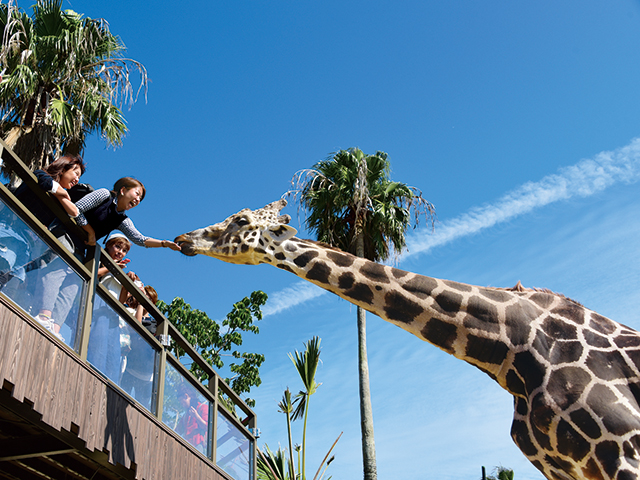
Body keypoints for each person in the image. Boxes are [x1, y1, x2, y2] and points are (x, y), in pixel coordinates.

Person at [34, 176, 180, 341]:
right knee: (58, 271)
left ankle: (54, 328)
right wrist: (90, 232)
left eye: (141, 199)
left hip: (81, 249)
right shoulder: (104, 195)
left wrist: (163, 243)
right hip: (66, 234)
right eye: (137, 194)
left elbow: (140, 239)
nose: (138, 200)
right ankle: (44, 316)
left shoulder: (122, 219)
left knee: (73, 285)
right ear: (123, 190)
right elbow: (76, 210)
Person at [1, 156, 85, 338]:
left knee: (12, 283)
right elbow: (47, 183)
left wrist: (63, 197)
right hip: (8, 234)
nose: (77, 179)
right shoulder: (40, 175)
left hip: (25, 248)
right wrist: (63, 193)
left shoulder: (57, 200)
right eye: (75, 173)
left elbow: (75, 212)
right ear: (62, 169)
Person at [86, 232, 137, 382]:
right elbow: (92, 273)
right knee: (98, 347)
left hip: (113, 312)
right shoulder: (100, 259)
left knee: (112, 353)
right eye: (117, 247)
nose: (120, 252)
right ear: (108, 245)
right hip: (99, 306)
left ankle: (107, 383)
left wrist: (127, 282)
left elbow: (121, 301)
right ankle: (92, 378)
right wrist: (112, 267)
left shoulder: (119, 270)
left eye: (124, 250)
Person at [120, 283, 159, 410]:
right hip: (129, 367)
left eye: (149, 297)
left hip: (145, 375)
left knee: (141, 409)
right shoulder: (131, 311)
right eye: (144, 295)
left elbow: (139, 329)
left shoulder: (154, 323)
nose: (145, 298)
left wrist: (141, 306)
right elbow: (135, 326)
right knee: (119, 399)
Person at [176, 386, 209, 454]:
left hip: (198, 446)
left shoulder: (203, 408)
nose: (182, 405)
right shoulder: (185, 416)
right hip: (186, 447)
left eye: (182, 402)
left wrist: (196, 416)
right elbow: (177, 431)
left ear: (186, 396)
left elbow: (207, 427)